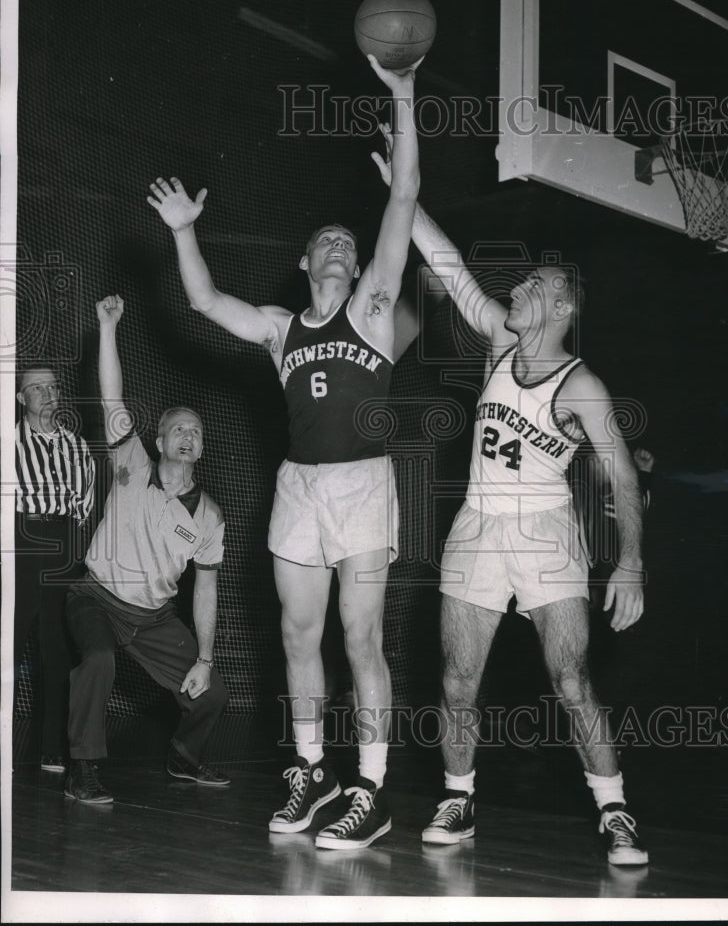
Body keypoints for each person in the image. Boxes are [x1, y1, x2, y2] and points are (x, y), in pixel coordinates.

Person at [147, 53, 421, 849]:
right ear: (304, 263)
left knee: (358, 637)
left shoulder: (374, 307)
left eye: (346, 239)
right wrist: (185, 231)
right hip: (299, 488)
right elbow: (201, 301)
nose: (339, 245)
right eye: (324, 241)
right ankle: (310, 772)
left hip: (363, 485)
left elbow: (402, 194)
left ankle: (370, 787)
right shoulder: (280, 328)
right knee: (299, 637)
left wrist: (402, 95)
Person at [373, 132, 647, 866]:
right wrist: (404, 194)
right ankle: (458, 798)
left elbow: (620, 474)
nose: (513, 293)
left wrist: (629, 566)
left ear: (558, 304)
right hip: (478, 525)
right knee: (457, 677)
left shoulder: (580, 385)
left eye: (529, 288)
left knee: (569, 676)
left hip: (546, 530)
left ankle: (614, 810)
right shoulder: (499, 342)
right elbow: (450, 269)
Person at [63, 295, 229, 804]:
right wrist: (108, 328)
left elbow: (205, 589)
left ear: (201, 449)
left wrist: (203, 657)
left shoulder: (209, 516)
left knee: (214, 693)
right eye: (179, 428)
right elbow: (113, 400)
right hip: (96, 596)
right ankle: (82, 770)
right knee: (97, 661)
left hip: (153, 618)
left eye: (196, 432)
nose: (188, 436)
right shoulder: (131, 461)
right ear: (158, 441)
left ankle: (183, 757)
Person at [15, 364, 95, 772]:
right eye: (37, 388)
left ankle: (50, 748)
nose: (47, 394)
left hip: (63, 544)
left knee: (56, 649)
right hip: (19, 542)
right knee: (6, 646)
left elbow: (83, 512)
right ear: (20, 399)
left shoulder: (78, 448)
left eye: (52, 387)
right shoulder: (6, 442)